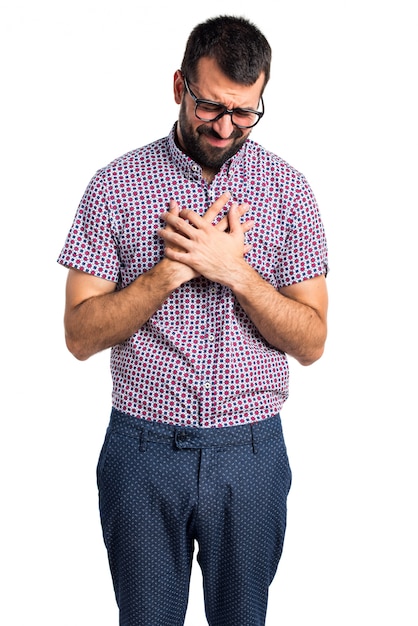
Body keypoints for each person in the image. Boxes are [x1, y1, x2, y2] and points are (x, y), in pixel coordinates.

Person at [58, 14, 328, 626]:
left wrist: (234, 271)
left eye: (245, 112)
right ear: (179, 85)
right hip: (142, 449)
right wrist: (169, 272)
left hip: (252, 450)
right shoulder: (116, 186)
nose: (226, 126)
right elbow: (78, 335)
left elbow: (312, 340)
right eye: (210, 107)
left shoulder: (289, 192)